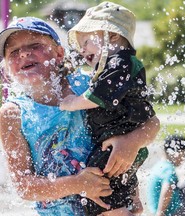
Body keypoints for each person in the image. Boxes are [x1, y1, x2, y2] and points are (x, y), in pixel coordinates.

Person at [0, 16, 160, 215]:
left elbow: (151, 123)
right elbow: (24, 186)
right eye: (13, 52)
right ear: (6, 70)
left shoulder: (90, 87)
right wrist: (77, 184)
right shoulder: (13, 114)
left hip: (109, 206)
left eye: (35, 45)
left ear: (59, 53)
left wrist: (130, 143)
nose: (24, 53)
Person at [59, 2, 155, 215]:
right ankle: (131, 202)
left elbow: (100, 94)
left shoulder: (121, 63)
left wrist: (72, 102)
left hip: (114, 149)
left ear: (112, 36)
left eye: (86, 42)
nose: (82, 50)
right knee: (115, 191)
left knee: (101, 199)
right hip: (120, 146)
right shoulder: (117, 65)